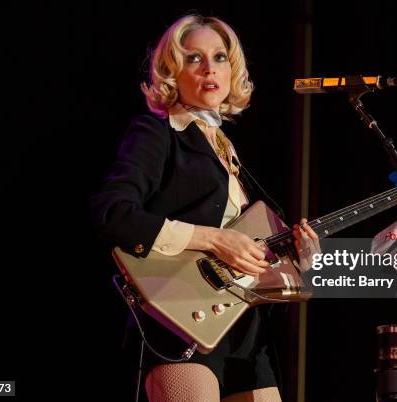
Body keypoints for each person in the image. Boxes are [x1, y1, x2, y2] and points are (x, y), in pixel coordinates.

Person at [90, 14, 318, 402]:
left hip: (246, 333)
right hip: (178, 319)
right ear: (171, 72)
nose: (209, 68)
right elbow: (113, 213)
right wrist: (213, 239)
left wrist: (301, 262)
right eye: (194, 58)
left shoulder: (227, 150)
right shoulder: (157, 131)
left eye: (219, 57)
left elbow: (253, 263)